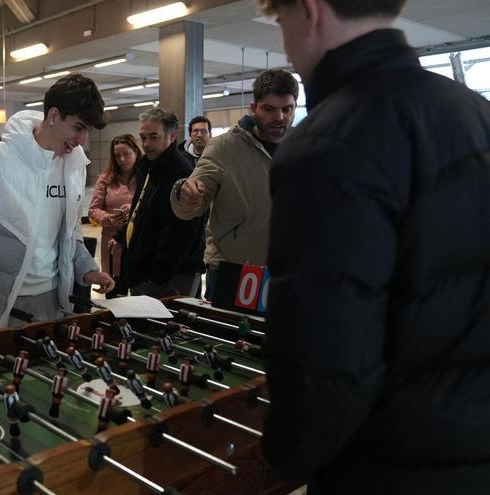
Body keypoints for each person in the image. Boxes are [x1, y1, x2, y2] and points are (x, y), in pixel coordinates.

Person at [255, 0, 490, 493]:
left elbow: (327, 362)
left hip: (389, 464)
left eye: (281, 21)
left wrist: (284, 453)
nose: (286, 43)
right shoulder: (475, 111)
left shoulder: (326, 144)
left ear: (310, 11)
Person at [0, 74, 114, 330]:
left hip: (54, 302)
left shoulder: (73, 167)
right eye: (78, 127)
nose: (82, 140)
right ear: (53, 116)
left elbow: (70, 231)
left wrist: (87, 268)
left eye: (87, 130)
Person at [171, 69, 298, 300]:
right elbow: (190, 207)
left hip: (289, 272)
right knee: (226, 335)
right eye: (269, 109)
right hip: (234, 270)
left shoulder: (305, 146)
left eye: (287, 109)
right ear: (254, 107)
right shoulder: (224, 148)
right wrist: (185, 193)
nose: (279, 117)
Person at [111, 108, 205, 298]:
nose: (146, 144)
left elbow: (182, 231)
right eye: (143, 137)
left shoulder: (179, 171)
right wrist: (122, 236)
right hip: (145, 274)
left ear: (171, 136)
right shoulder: (149, 167)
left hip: (168, 278)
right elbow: (142, 211)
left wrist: (157, 275)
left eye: (153, 137)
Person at [88, 134, 140, 298]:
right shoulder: (105, 179)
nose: (122, 159)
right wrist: (108, 218)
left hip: (139, 244)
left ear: (136, 152)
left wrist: (133, 211)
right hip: (113, 247)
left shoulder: (145, 177)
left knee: (141, 299)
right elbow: (93, 210)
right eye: (117, 155)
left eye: (126, 154)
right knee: (116, 298)